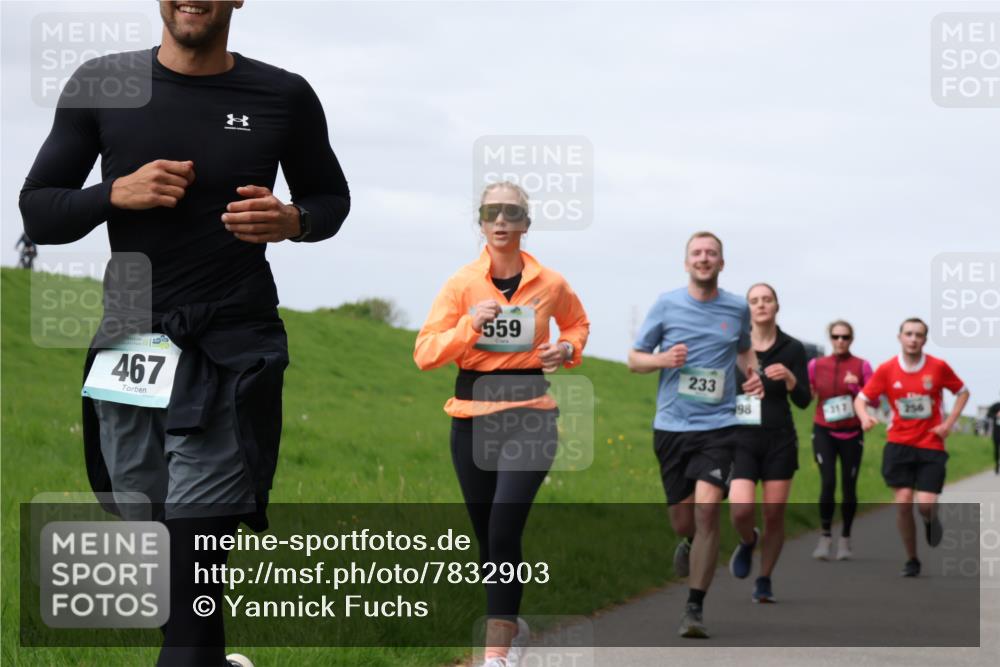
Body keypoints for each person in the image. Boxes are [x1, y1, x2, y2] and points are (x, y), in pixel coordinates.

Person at [19, 2, 350, 665]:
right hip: (131, 346)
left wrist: (292, 220)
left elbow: (329, 198)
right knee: (160, 554)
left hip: (232, 346)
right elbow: (40, 208)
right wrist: (115, 192)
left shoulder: (282, 94)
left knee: (195, 556)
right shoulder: (102, 84)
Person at [414, 181, 589, 667]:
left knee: (505, 525)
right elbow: (425, 354)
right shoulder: (461, 284)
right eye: (491, 211)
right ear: (481, 221)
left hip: (531, 415)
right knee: (488, 537)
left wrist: (568, 349)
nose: (501, 220)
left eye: (511, 212)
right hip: (471, 420)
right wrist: (469, 323)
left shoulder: (550, 284)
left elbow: (577, 324)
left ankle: (496, 653)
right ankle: (512, 621)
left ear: (525, 224)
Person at [628, 231, 762, 638]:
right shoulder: (666, 304)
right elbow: (634, 360)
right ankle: (686, 540)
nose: (704, 259)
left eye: (712, 254)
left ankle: (694, 608)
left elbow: (743, 349)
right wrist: (662, 359)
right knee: (682, 518)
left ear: (722, 263)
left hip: (719, 427)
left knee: (708, 512)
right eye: (697, 253)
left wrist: (752, 375)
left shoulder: (738, 307)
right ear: (686, 263)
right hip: (671, 426)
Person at [854, 318, 970, 577]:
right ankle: (912, 558)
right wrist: (864, 417)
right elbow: (861, 399)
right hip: (899, 444)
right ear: (900, 337)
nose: (913, 339)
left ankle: (930, 520)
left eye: (919, 335)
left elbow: (963, 392)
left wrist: (949, 423)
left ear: (925, 340)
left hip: (931, 443)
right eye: (909, 334)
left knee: (925, 505)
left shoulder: (938, 367)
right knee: (904, 502)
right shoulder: (886, 369)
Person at [729, 283, 810, 603]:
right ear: (747, 309)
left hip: (779, 439)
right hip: (741, 438)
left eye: (767, 300)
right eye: (754, 301)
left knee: (774, 513)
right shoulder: (735, 346)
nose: (761, 305)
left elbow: (804, 400)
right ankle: (748, 541)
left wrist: (790, 379)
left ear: (777, 306)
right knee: (741, 510)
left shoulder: (793, 348)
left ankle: (764, 578)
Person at [807, 320, 873, 561]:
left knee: (848, 485)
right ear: (830, 338)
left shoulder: (862, 365)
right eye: (836, 337)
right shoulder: (816, 365)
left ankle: (845, 538)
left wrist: (856, 388)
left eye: (845, 337)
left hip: (852, 432)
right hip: (824, 429)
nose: (840, 341)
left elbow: (874, 399)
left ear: (851, 339)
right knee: (827, 482)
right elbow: (808, 394)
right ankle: (825, 536)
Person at [987, 400, 1000, 475]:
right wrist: (996, 415)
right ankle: (997, 465)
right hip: (997, 432)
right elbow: (988, 414)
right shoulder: (996, 405)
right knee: (996, 449)